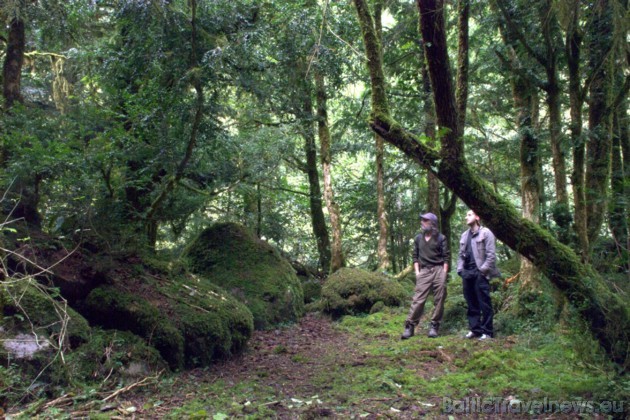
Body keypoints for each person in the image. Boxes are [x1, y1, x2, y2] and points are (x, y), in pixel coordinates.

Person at [401, 212, 450, 340]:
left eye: (425, 220)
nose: (422, 222)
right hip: (424, 271)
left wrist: (444, 274)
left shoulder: (441, 238)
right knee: (418, 299)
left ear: (432, 223)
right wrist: (417, 272)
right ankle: (410, 327)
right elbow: (415, 257)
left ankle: (434, 326)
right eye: (422, 220)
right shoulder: (418, 238)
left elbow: (446, 258)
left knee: (439, 298)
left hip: (439, 269)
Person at [457, 210, 501, 341]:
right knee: (471, 303)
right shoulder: (465, 235)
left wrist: (483, 271)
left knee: (484, 302)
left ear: (477, 217)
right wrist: (460, 270)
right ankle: (475, 329)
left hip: (480, 273)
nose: (466, 217)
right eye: (466, 215)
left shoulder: (486, 233)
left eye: (469, 214)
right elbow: (460, 255)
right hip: (467, 273)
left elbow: (491, 255)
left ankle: (487, 332)